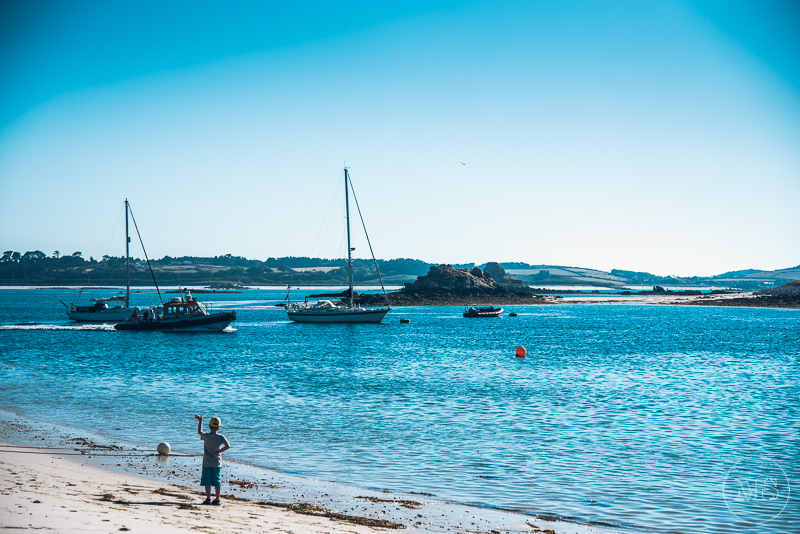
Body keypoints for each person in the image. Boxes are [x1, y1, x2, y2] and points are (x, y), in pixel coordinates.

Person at [194, 414, 231, 505]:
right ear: (219, 427)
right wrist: (218, 452)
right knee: (216, 480)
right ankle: (217, 499)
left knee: (207, 481)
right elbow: (228, 446)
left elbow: (199, 431)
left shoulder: (206, 436)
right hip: (216, 463)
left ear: (209, 426)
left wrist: (200, 420)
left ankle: (208, 498)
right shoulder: (221, 437)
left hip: (207, 463)